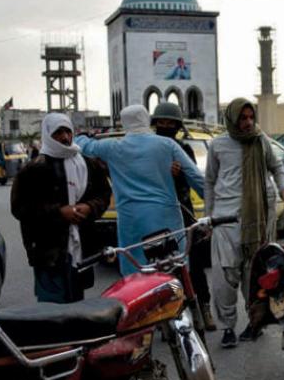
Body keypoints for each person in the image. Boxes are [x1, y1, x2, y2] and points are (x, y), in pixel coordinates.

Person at [205, 98, 284, 348]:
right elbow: (210, 181)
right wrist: (209, 217)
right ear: (232, 118)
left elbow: (277, 168)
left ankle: (255, 322)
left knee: (254, 275)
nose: (247, 123)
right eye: (242, 118)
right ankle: (227, 327)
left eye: (250, 118)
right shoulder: (218, 145)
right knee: (224, 276)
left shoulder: (260, 140)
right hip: (225, 219)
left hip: (258, 218)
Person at [75, 105, 204, 275]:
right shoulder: (167, 145)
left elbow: (81, 144)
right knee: (173, 272)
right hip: (166, 220)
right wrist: (216, 207)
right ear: (147, 120)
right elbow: (196, 178)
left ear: (124, 123)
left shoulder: (112, 148)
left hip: (132, 222)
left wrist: (85, 136)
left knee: (136, 274)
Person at [11, 113, 111, 303]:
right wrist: (58, 212)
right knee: (52, 310)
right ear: (48, 134)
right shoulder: (33, 170)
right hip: (48, 251)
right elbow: (20, 207)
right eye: (58, 133)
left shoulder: (88, 164)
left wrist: (89, 207)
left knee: (76, 303)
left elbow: (104, 194)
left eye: (67, 131)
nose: (65, 137)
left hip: (81, 247)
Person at [151, 101, 216, 331]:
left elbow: (192, 179)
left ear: (177, 126)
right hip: (158, 217)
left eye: (170, 123)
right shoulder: (150, 150)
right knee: (163, 271)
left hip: (184, 215)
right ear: (154, 124)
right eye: (161, 122)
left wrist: (178, 176)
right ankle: (166, 317)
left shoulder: (183, 149)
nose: (165, 126)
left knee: (194, 267)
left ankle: (204, 309)